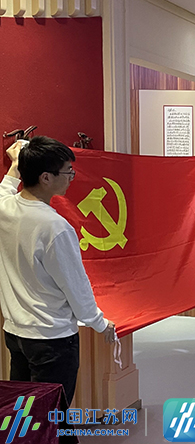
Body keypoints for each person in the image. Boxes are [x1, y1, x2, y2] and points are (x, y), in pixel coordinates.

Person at [0, 137, 116, 406]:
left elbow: (5, 188)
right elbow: (75, 286)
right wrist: (100, 323)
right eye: (67, 172)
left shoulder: (5, 208)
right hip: (51, 339)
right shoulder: (55, 227)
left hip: (16, 333)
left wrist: (16, 164)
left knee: (24, 413)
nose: (71, 177)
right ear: (45, 178)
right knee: (53, 414)